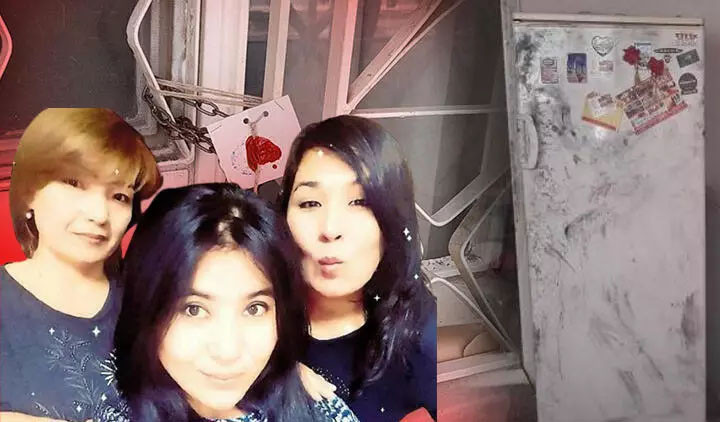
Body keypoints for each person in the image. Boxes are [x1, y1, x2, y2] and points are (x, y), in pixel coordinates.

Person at [114, 183, 359, 422]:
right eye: (194, 309)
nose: (228, 352)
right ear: (146, 308)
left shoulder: (323, 411)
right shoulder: (109, 408)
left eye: (255, 308)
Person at [0, 108, 162, 421]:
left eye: (119, 196)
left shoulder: (145, 302)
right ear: (29, 193)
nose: (99, 215)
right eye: (74, 183)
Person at [279, 115, 437, 421]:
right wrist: (277, 374)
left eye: (360, 202)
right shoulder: (252, 305)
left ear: (392, 220)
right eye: (310, 203)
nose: (330, 229)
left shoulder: (418, 337)